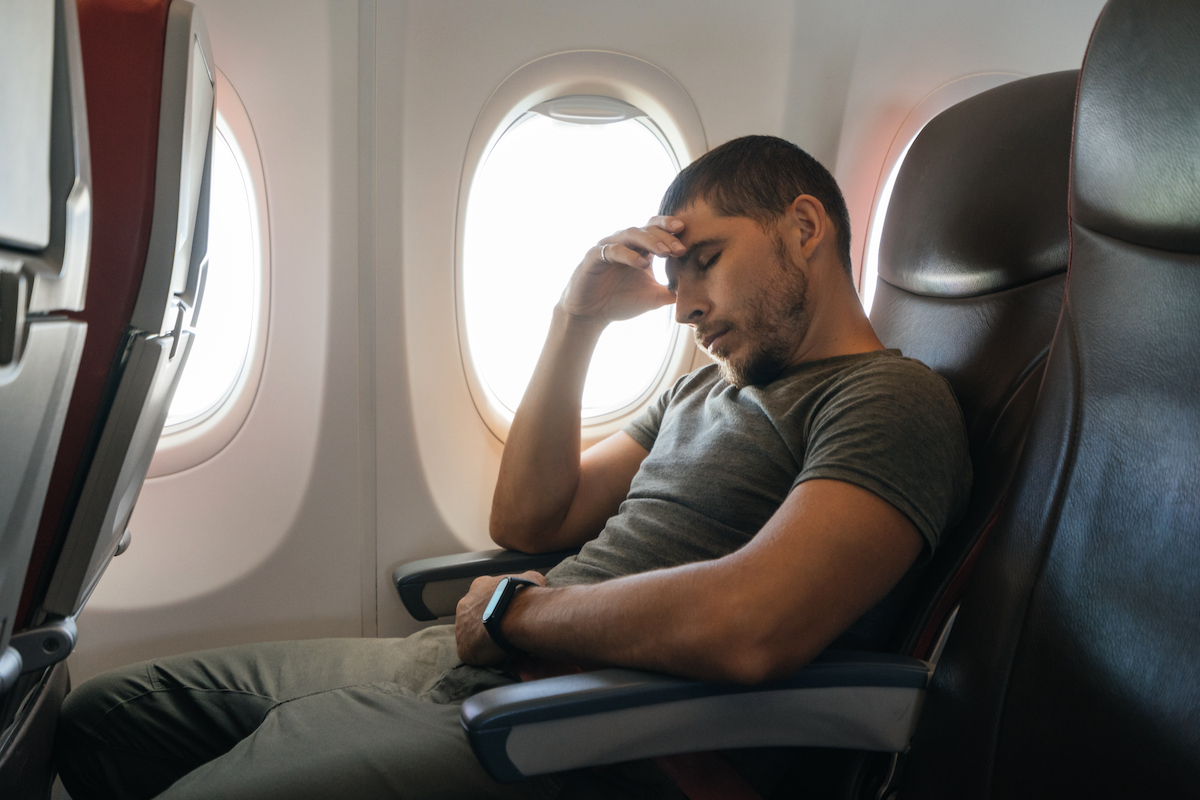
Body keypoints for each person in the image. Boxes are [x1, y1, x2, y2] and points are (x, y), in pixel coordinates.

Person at [55, 135, 970, 800]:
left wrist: (519, 611)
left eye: (705, 261)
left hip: (591, 723)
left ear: (804, 226)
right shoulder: (703, 389)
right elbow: (530, 520)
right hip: (485, 662)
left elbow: (752, 626)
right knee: (107, 718)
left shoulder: (890, 402)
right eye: (678, 273)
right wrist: (575, 322)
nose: (684, 305)